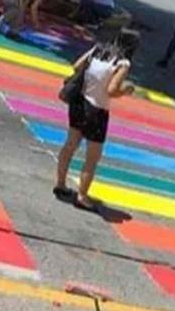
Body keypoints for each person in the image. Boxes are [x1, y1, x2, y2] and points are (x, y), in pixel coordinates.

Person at [55, 30, 139, 209]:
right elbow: (111, 90)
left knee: (70, 144)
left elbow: (77, 66)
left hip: (78, 101)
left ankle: (60, 184)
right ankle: (82, 196)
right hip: (97, 110)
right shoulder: (122, 63)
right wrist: (126, 90)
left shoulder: (97, 50)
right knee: (92, 157)